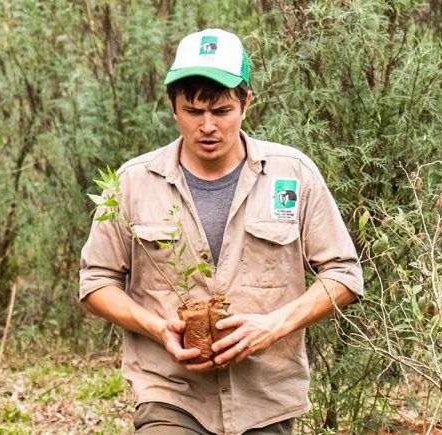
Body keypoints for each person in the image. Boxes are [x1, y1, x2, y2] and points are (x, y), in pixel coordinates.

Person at [79, 28, 363, 435]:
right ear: (173, 107)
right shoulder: (132, 182)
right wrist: (158, 328)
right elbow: (95, 282)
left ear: (247, 103)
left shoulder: (292, 175)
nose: (208, 126)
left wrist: (272, 326)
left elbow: (344, 275)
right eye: (193, 112)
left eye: (222, 110)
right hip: (170, 393)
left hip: (266, 397)